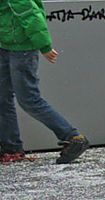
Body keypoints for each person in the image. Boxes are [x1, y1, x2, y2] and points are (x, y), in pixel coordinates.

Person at [0, 0, 89, 164]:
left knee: (29, 100)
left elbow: (29, 14)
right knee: (2, 98)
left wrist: (45, 46)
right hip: (5, 45)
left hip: (22, 49)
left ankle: (72, 137)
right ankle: (11, 148)